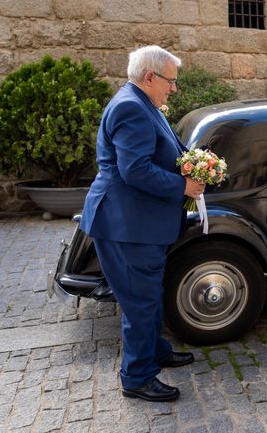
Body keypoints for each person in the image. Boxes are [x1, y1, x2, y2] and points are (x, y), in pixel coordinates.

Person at [80, 45, 205, 402]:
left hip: (140, 221)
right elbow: (133, 169)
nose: (174, 88)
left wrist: (193, 163)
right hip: (127, 223)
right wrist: (184, 185)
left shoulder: (140, 102)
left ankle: (154, 351)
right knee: (139, 301)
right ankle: (136, 376)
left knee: (150, 294)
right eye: (170, 81)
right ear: (150, 77)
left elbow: (160, 151)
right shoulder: (131, 108)